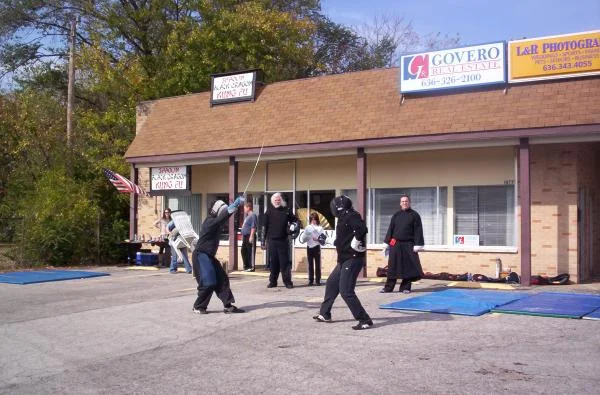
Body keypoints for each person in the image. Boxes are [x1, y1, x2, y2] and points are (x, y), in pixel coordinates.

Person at [313, 195, 373, 330]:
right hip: (344, 259)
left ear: (338, 206)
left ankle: (364, 320)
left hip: (353, 259)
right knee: (332, 283)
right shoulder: (342, 218)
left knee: (346, 291)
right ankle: (325, 313)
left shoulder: (351, 215)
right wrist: (326, 240)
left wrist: (358, 240)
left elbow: (362, 229)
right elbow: (342, 240)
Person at [192, 197, 245, 314]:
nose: (223, 213)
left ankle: (228, 306)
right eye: (222, 210)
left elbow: (223, 217)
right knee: (208, 282)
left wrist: (233, 208)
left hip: (209, 256)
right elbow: (221, 219)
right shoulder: (209, 222)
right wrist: (234, 205)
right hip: (201, 255)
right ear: (216, 211)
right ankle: (198, 306)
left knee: (222, 279)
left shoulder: (216, 221)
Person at [380, 194, 424, 294]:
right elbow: (391, 229)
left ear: (409, 202)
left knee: (408, 266)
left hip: (408, 244)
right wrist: (387, 243)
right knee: (392, 266)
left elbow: (418, 231)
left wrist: (417, 244)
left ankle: (405, 287)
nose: (404, 203)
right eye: (403, 201)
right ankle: (388, 288)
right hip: (395, 243)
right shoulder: (396, 215)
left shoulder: (415, 215)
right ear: (400, 203)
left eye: (406, 201)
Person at [261, 192, 299, 289]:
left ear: (281, 200)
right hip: (272, 241)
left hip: (283, 240)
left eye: (278, 200)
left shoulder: (286, 210)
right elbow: (264, 227)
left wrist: (293, 227)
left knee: (285, 263)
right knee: (273, 262)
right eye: (275, 200)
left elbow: (295, 221)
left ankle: (288, 282)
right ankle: (273, 282)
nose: (277, 201)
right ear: (272, 201)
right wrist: (262, 241)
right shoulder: (268, 211)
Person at [300, 212, 325, 286]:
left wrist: (317, 239)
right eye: (312, 219)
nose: (313, 221)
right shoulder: (308, 227)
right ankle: (310, 280)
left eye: (315, 219)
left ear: (317, 220)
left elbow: (323, 239)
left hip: (317, 247)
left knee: (318, 265)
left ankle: (318, 281)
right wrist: (307, 236)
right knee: (310, 265)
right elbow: (303, 238)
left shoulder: (320, 228)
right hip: (309, 247)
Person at [240, 201, 257, 272]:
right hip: (245, 236)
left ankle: (251, 266)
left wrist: (251, 236)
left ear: (248, 208)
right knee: (243, 251)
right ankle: (246, 266)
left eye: (245, 208)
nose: (244, 210)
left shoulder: (253, 215)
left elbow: (253, 227)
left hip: (249, 236)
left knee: (250, 252)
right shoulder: (247, 216)